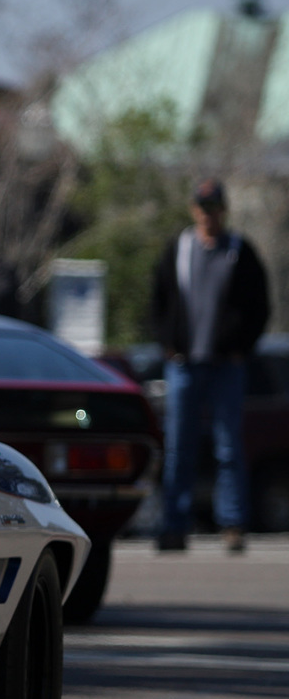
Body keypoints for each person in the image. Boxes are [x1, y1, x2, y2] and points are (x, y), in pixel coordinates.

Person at [151, 178, 271, 553]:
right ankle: (174, 525)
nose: (209, 213)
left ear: (224, 210)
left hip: (225, 366)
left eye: (215, 206)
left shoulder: (240, 251)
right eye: (203, 206)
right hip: (184, 365)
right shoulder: (179, 248)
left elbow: (260, 305)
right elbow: (158, 298)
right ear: (194, 209)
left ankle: (232, 524)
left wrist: (241, 346)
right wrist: (167, 343)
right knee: (178, 448)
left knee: (228, 447)